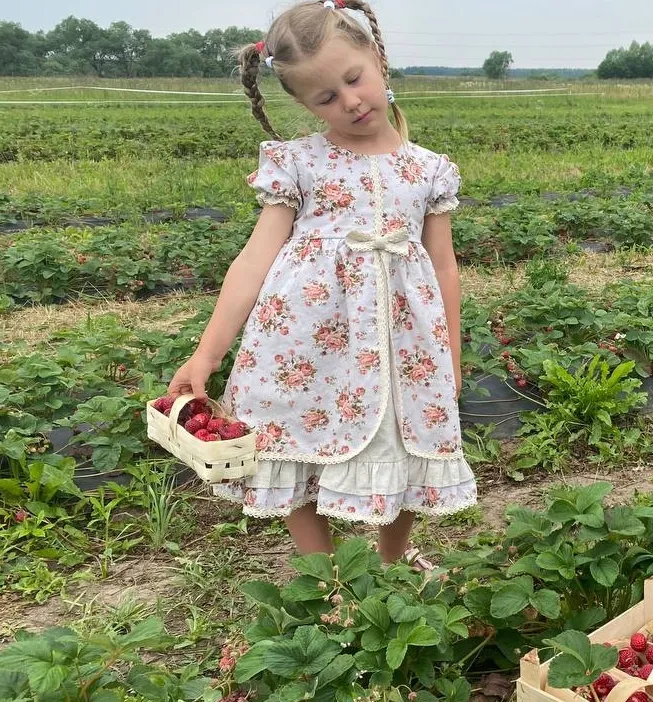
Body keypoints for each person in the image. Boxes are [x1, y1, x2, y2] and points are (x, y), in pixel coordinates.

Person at [166, 0, 476, 565]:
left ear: (378, 59)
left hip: (403, 342)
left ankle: (390, 562)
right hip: (305, 343)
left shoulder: (429, 170)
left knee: (406, 442)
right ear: (303, 104)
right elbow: (253, 261)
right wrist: (207, 353)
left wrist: (451, 349)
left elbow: (444, 266)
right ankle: (326, 578)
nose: (350, 101)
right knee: (289, 441)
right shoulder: (299, 163)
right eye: (325, 98)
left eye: (354, 80)